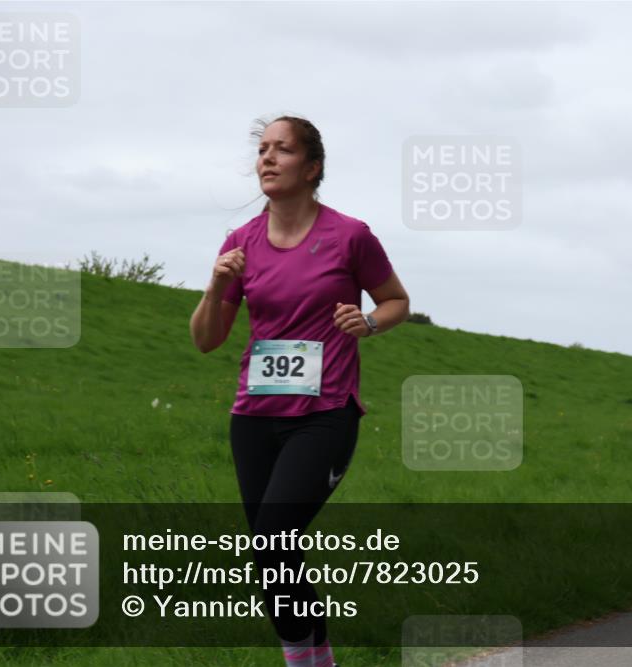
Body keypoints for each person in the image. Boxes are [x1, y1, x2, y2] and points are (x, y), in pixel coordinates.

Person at [189, 115, 410, 667]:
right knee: (271, 553)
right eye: (261, 150)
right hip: (254, 416)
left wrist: (370, 323)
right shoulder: (240, 243)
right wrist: (216, 285)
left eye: (281, 150)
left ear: (311, 168)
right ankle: (315, 659)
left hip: (325, 414)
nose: (266, 159)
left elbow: (395, 300)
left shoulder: (349, 236)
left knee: (272, 535)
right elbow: (206, 340)